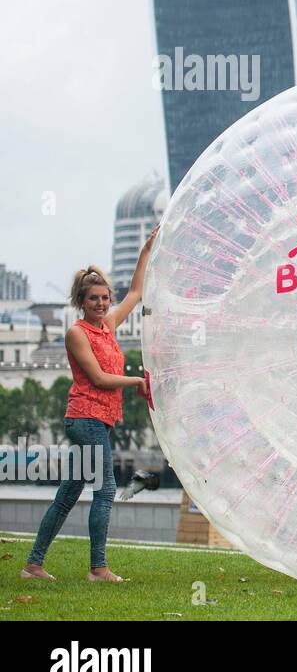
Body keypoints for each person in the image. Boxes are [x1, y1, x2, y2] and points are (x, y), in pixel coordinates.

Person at [21, 226, 159, 583]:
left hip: (100, 420)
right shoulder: (76, 334)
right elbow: (97, 379)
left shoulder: (109, 326)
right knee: (107, 489)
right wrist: (139, 382)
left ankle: (33, 565)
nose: (101, 304)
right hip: (85, 419)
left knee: (67, 494)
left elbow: (137, 291)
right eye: (93, 299)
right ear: (81, 302)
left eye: (104, 298)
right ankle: (98, 568)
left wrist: (145, 249)